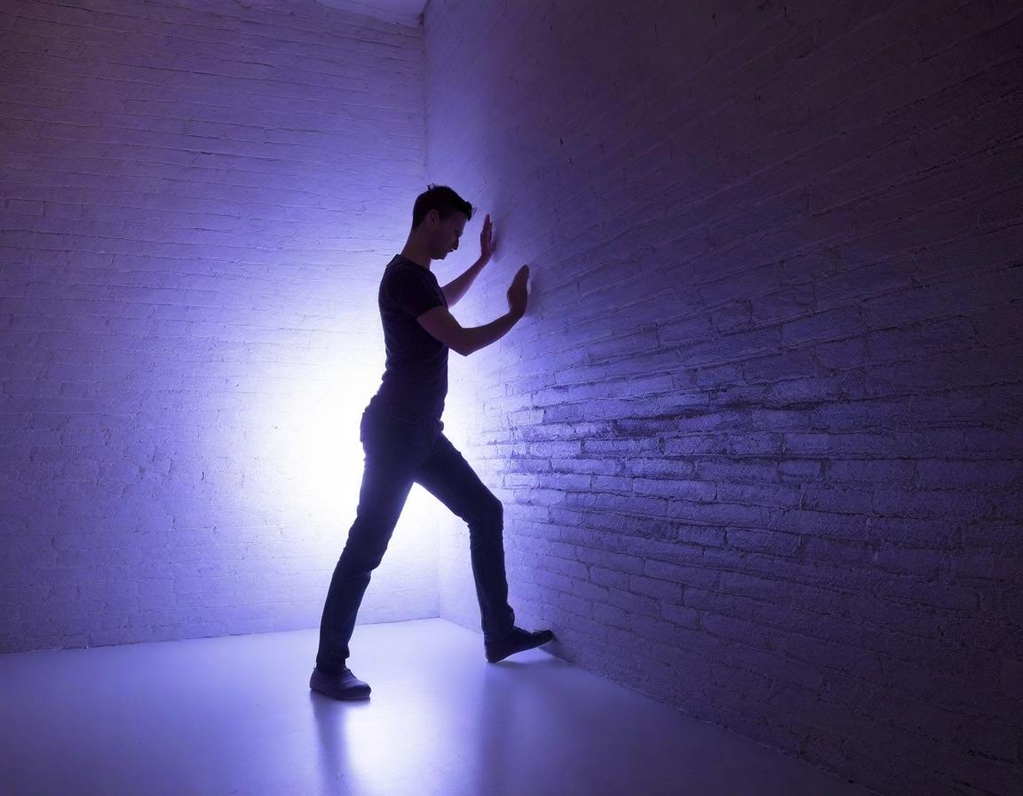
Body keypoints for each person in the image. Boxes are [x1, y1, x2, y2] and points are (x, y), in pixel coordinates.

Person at [310, 185, 556, 700]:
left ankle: (498, 633)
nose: (456, 242)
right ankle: (328, 667)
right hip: (397, 430)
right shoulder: (404, 277)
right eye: (455, 232)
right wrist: (514, 313)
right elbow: (462, 341)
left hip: (420, 431)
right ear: (430, 219)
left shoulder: (416, 280)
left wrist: (486, 260)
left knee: (485, 512)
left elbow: (444, 300)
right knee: (367, 546)